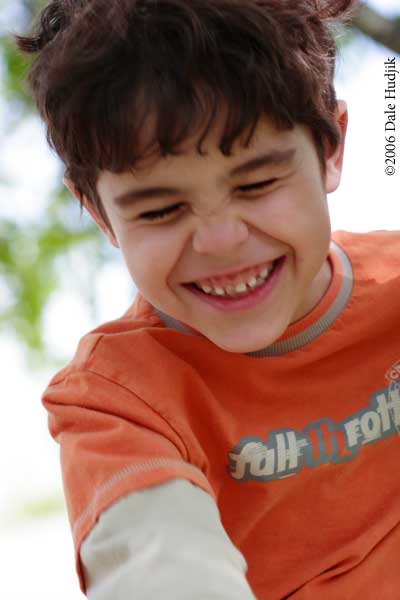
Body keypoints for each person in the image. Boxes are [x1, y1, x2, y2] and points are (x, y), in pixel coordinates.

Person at [17, 0, 400, 598]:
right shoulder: (115, 401)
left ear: (332, 148)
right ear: (98, 213)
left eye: (257, 182)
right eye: (161, 209)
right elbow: (159, 564)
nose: (222, 241)